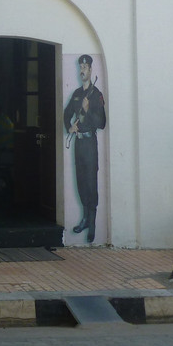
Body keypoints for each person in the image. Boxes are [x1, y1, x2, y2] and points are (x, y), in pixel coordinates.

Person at [63, 54, 106, 243]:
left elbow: (102, 123)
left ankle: (92, 221)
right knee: (80, 182)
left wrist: (88, 110)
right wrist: (69, 127)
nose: (82, 70)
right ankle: (85, 218)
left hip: (90, 144)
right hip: (79, 144)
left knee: (90, 182)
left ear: (90, 70)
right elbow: (66, 115)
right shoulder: (77, 94)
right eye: (80, 66)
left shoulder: (96, 95)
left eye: (85, 67)